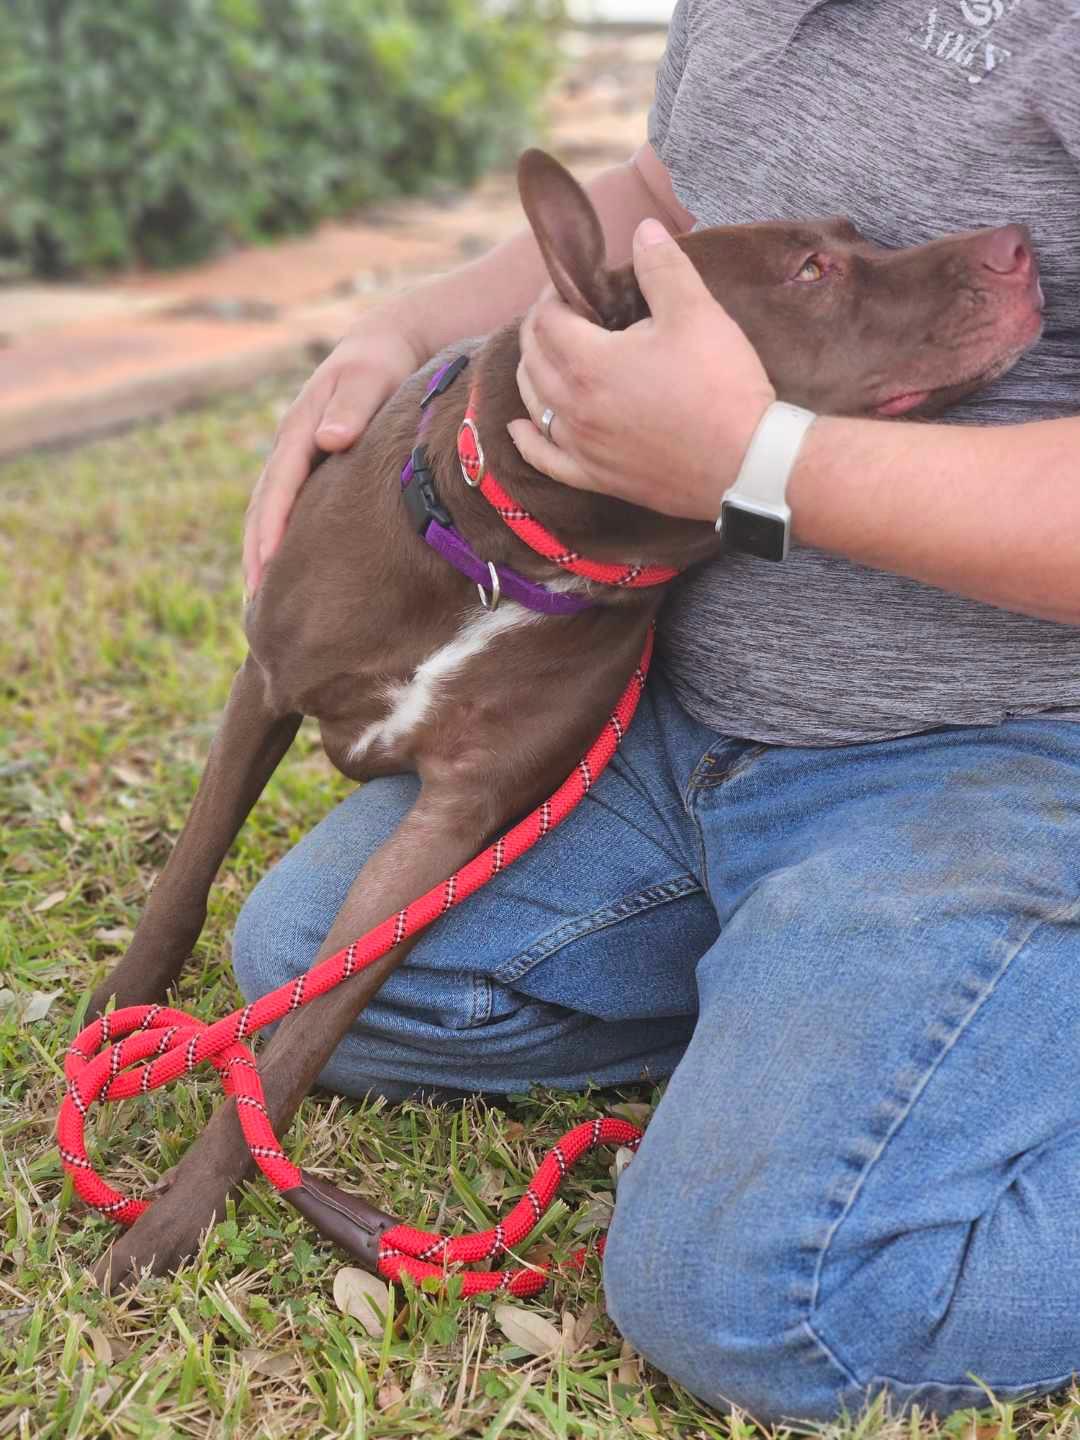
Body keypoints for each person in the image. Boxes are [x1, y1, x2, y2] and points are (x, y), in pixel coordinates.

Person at [233, 0, 1080, 1423]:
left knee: (770, 1300)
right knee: (315, 971)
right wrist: (399, 329)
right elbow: (669, 201)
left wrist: (755, 465)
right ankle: (825, 1010)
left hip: (994, 749)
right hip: (670, 716)